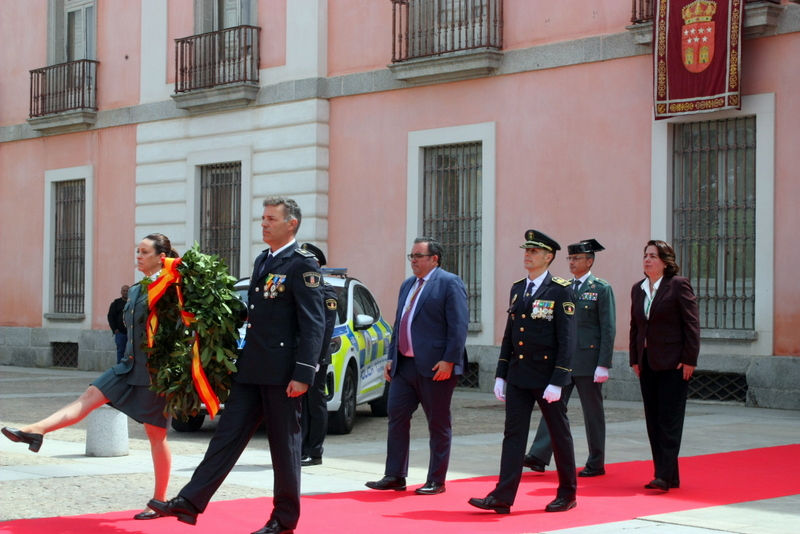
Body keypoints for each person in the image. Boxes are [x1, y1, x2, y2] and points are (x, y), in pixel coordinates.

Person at [149, 197, 326, 534]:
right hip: (252, 368)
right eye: (263, 218)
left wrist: (304, 373)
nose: (264, 223)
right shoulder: (263, 260)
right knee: (226, 437)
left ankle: (284, 519)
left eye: (271, 218)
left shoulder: (302, 265)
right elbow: (256, 314)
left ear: (292, 224)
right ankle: (190, 502)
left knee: (284, 448)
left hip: (283, 374)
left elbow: (313, 323)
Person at [2, 233, 178, 520]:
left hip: (155, 375)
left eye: (144, 252)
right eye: (137, 251)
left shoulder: (172, 288)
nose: (138, 256)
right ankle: (36, 431)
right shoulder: (135, 291)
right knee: (89, 397)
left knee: (155, 436)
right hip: (127, 366)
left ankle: (160, 500)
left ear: (162, 257)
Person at [469, 229, 577, 514]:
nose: (527, 255)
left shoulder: (560, 289)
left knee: (558, 433)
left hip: (547, 377)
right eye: (526, 250)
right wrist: (501, 373)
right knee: (513, 434)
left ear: (548, 256)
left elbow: (567, 339)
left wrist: (558, 380)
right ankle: (503, 496)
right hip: (519, 374)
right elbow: (510, 334)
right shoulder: (519, 287)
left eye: (533, 251)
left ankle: (567, 493)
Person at [365, 237, 468, 496]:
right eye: (411, 256)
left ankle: (436, 479)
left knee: (438, 423)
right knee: (396, 418)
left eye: (418, 256)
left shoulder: (449, 283)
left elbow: (458, 326)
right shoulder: (408, 285)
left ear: (434, 258)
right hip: (405, 365)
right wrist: (391, 357)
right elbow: (399, 322)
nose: (413, 261)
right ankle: (395, 475)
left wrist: (450, 360)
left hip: (435, 367)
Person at [524, 238, 616, 477]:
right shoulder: (563, 287)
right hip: (563, 362)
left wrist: (603, 363)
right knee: (552, 405)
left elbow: (608, 327)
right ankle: (538, 455)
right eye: (570, 258)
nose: (572, 262)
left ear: (589, 260)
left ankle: (596, 462)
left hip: (588, 361)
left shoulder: (600, 288)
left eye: (576, 258)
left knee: (592, 413)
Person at [630, 239, 700, 492]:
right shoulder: (639, 289)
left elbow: (691, 324)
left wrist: (690, 358)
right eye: (646, 255)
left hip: (674, 363)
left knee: (669, 420)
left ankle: (662, 475)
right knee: (654, 419)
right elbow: (635, 327)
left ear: (665, 262)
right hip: (647, 363)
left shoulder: (678, 285)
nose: (648, 259)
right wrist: (634, 359)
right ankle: (669, 474)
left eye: (654, 256)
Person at [299, 242, 338, 467]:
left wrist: (315, 359)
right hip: (303, 356)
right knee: (301, 405)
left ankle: (315, 451)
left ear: (316, 265)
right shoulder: (307, 289)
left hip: (317, 358)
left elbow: (325, 329)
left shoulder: (326, 292)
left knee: (315, 403)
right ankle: (302, 448)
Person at [107, 284, 130, 364]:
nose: (125, 292)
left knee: (130, 352)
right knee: (121, 351)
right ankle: (120, 369)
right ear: (121, 292)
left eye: (127, 291)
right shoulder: (116, 303)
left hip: (130, 333)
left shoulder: (132, 303)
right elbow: (110, 317)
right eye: (124, 291)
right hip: (120, 333)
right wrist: (115, 329)